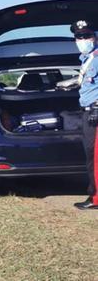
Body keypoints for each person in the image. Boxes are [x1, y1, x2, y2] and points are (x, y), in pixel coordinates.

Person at [73, 19, 98, 210]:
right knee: (91, 156)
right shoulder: (87, 59)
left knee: (95, 158)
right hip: (88, 112)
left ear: (95, 37)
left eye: (86, 36)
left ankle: (96, 199)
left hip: (95, 113)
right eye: (78, 36)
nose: (82, 39)